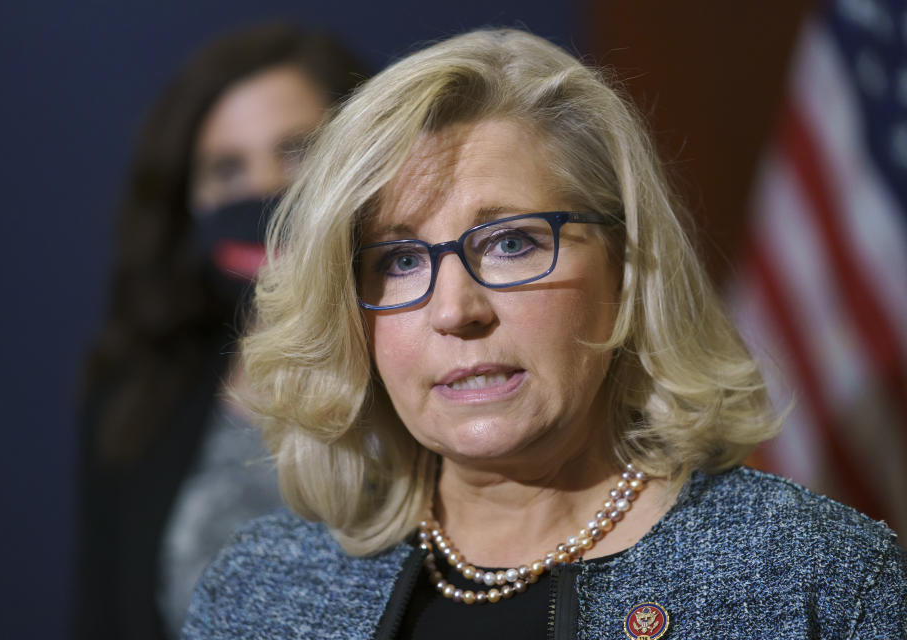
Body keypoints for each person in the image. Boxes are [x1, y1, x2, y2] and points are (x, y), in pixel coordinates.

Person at [182, 28, 907, 639]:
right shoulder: (261, 593)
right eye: (401, 261)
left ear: (625, 268)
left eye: (512, 244)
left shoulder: (815, 578)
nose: (456, 309)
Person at [75, 23, 367, 640]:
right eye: (227, 169)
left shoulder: (434, 362)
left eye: (295, 152)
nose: (263, 192)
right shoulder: (133, 401)